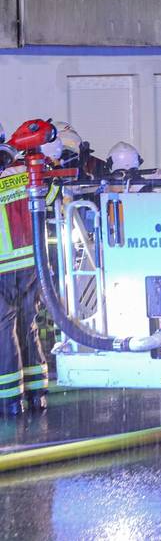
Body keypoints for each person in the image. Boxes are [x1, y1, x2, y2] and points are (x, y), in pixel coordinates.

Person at [0, 148, 49, 416]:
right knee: (28, 327)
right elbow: (50, 195)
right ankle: (36, 395)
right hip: (34, 264)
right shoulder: (23, 172)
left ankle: (9, 401)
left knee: (4, 331)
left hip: (2, 267)